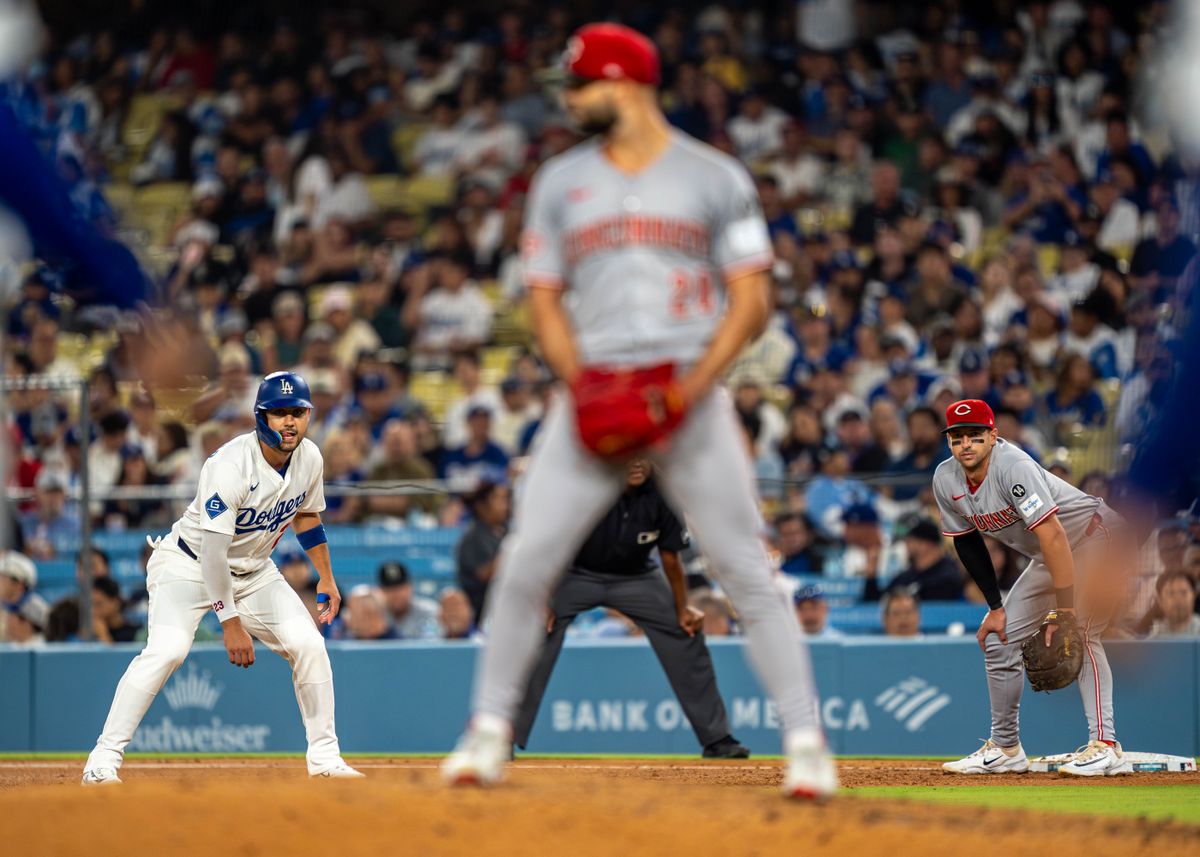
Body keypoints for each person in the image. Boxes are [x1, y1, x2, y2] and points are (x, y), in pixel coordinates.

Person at [442, 24, 836, 799]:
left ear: (623, 83)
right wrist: (580, 382)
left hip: (689, 392)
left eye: (582, 84)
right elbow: (543, 299)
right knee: (524, 561)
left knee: (747, 567)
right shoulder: (558, 181)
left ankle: (808, 743)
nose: (573, 98)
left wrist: (689, 390)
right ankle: (488, 732)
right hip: (593, 390)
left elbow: (753, 299)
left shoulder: (716, 176)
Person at [81, 372, 363, 785]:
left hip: (253, 569)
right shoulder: (229, 465)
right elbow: (213, 553)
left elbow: (306, 515)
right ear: (260, 416)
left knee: (309, 645)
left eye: (298, 412)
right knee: (169, 651)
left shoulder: (310, 459)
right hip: (189, 565)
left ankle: (325, 759)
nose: (290, 422)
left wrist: (326, 576)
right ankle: (102, 759)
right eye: (280, 412)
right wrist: (230, 621)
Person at [934, 399, 1135, 777]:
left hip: (1099, 536)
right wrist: (995, 607)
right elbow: (967, 542)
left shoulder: (1015, 467)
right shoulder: (946, 479)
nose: (966, 445)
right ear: (948, 442)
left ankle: (1106, 746)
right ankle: (1007, 748)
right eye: (957, 437)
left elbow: (1054, 535)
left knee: (1083, 633)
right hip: (1051, 554)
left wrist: (1066, 611)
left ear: (993, 436)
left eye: (975, 436)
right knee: (999, 637)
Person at [512, 459, 749, 760]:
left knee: (685, 632)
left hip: (636, 577)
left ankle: (718, 740)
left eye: (643, 456)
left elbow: (670, 556)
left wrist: (683, 608)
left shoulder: (664, 491)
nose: (636, 463)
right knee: (536, 630)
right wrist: (543, 598)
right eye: (630, 455)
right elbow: (554, 546)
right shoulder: (588, 488)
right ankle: (502, 734)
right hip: (575, 572)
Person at [863, 518, 965, 602]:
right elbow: (879, 603)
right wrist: (871, 577)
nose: (905, 546)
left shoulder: (949, 573)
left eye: (909, 541)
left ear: (925, 545)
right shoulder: (906, 576)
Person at [455, 481, 511, 620]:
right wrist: (515, 552)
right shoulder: (473, 537)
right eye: (499, 500)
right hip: (482, 613)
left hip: (504, 607)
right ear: (481, 506)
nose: (505, 506)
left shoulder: (504, 530)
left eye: (506, 500)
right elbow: (485, 574)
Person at [377, 561, 440, 640]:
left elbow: (432, 646)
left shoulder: (429, 611)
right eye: (389, 589)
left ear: (410, 587)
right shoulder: (374, 615)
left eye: (400, 588)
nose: (396, 594)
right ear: (379, 591)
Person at [1147, 573, 1200, 638]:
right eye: (1171, 593)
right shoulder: (1153, 638)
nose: (1178, 599)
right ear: (1160, 601)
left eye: (1184, 593)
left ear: (1194, 596)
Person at [90, 577, 142, 643]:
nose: (93, 611)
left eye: (98, 604)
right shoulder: (89, 633)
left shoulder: (136, 634)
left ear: (116, 602)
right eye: (91, 605)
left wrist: (103, 635)